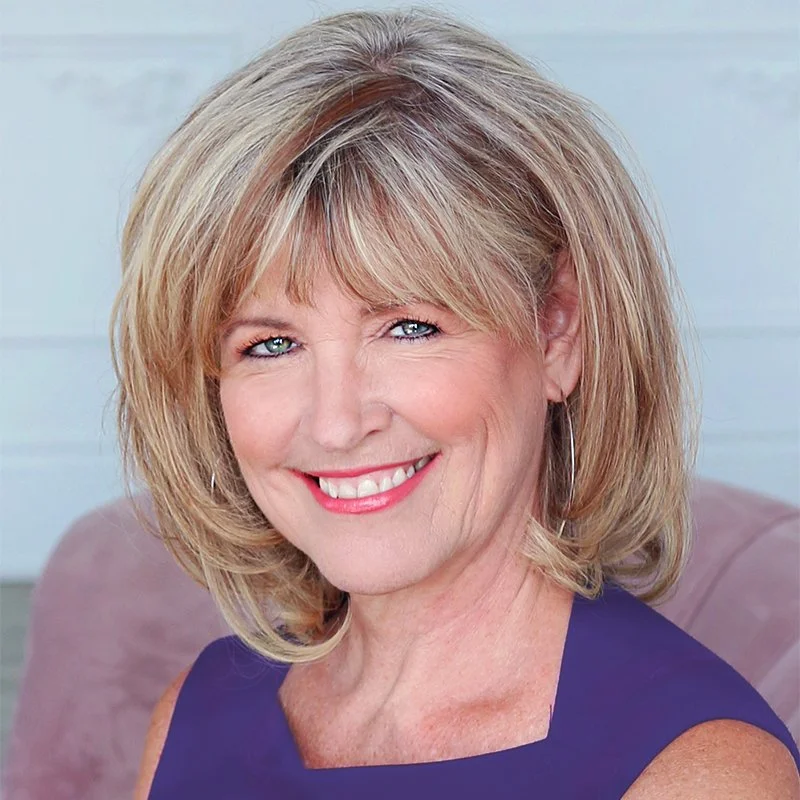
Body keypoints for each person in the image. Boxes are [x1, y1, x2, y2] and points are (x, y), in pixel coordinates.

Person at [112, 9, 800, 798]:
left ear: (558, 330)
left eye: (409, 327)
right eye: (269, 345)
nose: (336, 424)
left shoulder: (699, 772)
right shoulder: (198, 711)